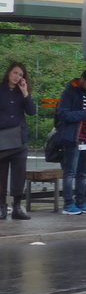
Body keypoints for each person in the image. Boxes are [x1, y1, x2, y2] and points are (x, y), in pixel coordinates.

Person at [55, 68, 86, 215]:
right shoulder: (70, 91)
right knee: (70, 172)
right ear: (82, 79)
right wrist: (83, 113)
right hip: (73, 137)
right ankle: (68, 204)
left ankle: (82, 201)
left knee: (83, 173)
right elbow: (62, 114)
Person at [0, 62, 36, 220]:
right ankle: (2, 206)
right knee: (1, 175)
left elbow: (31, 111)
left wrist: (25, 92)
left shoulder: (22, 92)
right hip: (2, 138)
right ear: (8, 73)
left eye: (20, 75)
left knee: (19, 174)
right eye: (15, 73)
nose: (17, 77)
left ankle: (17, 207)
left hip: (19, 139)